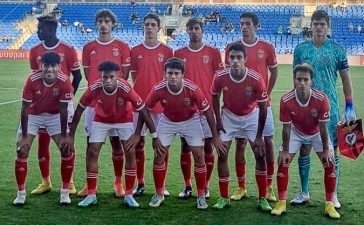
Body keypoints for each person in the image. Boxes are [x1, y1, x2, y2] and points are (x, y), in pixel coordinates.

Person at [67, 60, 156, 208]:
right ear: (101, 76)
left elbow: (142, 109)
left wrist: (141, 135)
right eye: (105, 77)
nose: (108, 80)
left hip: (123, 120)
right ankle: (91, 194)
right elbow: (79, 109)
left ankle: (128, 194)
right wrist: (71, 135)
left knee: (130, 151)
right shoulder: (95, 87)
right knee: (92, 151)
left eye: (111, 77)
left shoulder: (125, 87)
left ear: (118, 76)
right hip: (101, 119)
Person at [292, 10, 356, 209]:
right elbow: (296, 80)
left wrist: (350, 105)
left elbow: (346, 79)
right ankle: (304, 192)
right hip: (305, 108)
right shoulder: (300, 50)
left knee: (333, 150)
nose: (318, 27)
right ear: (310, 26)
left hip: (331, 109)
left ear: (328, 27)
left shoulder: (337, 50)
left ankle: (332, 195)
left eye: (322, 24)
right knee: (304, 147)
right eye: (315, 24)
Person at [143, 57, 225, 209]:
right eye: (169, 73)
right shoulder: (158, 89)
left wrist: (214, 136)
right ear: (165, 74)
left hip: (190, 120)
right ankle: (159, 193)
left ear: (182, 75)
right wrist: (153, 136)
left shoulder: (192, 88)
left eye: (176, 73)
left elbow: (207, 112)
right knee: (159, 154)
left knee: (199, 155)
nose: (173, 76)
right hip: (167, 120)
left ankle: (201, 195)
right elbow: (145, 110)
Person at [271, 63, 340, 219]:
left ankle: (329, 204)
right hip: (296, 131)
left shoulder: (321, 99)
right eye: (299, 79)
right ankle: (281, 203)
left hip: (316, 132)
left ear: (311, 81)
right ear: (294, 80)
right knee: (283, 161)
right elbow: (286, 129)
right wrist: (286, 151)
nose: (302, 83)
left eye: (305, 80)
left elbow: (323, 128)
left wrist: (327, 149)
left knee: (329, 162)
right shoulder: (286, 99)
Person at [224, 12, 278, 202]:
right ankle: (241, 187)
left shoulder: (267, 47)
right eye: (241, 24)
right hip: (240, 107)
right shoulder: (232, 48)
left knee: (267, 143)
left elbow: (274, 71)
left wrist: (267, 94)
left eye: (248, 23)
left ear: (256, 26)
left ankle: (269, 186)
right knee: (240, 143)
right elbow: (228, 75)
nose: (244, 27)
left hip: (262, 105)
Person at [77, 9, 131, 198]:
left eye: (107, 21)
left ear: (113, 24)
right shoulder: (88, 47)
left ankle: (118, 183)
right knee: (91, 145)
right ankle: (89, 185)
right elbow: (88, 75)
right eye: (100, 21)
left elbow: (124, 75)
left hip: (116, 104)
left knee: (117, 144)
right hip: (93, 104)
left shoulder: (122, 47)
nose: (103, 24)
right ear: (96, 24)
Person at [211, 43, 270, 211]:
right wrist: (218, 120)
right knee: (222, 155)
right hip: (229, 116)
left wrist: (259, 136)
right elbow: (214, 97)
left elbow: (263, 108)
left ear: (245, 59)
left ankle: (262, 198)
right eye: (232, 58)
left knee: (260, 154)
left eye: (239, 58)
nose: (235, 61)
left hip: (251, 117)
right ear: (227, 59)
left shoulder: (256, 78)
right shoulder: (220, 76)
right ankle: (223, 198)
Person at [28, 14, 81, 195]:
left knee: (66, 143)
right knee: (42, 142)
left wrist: (66, 96)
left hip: (63, 106)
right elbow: (35, 79)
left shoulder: (68, 49)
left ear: (50, 30)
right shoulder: (34, 51)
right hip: (41, 106)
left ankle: (70, 181)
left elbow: (78, 76)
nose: (37, 31)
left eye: (40, 29)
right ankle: (46, 182)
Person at [13, 51, 74, 205]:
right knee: (22, 149)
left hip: (54, 115)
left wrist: (66, 135)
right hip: (33, 114)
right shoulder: (32, 80)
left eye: (53, 66)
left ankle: (65, 192)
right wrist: (25, 135)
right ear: (41, 66)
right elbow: (25, 108)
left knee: (67, 148)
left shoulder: (65, 81)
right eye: (46, 66)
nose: (50, 69)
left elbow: (63, 110)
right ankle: (21, 193)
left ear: (59, 66)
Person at [174, 18, 223, 199]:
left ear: (202, 31)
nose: (194, 32)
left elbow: (219, 82)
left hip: (207, 108)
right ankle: (188, 186)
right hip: (186, 110)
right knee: (186, 147)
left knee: (208, 148)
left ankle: (206, 185)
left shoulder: (213, 52)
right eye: (191, 29)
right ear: (186, 31)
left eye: (197, 28)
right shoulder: (178, 53)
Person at [129, 13, 173, 197]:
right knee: (138, 143)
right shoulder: (135, 51)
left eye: (153, 25)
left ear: (158, 28)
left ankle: (160, 184)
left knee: (162, 146)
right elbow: (133, 77)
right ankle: (140, 182)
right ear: (143, 27)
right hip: (139, 105)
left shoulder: (167, 52)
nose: (149, 27)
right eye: (146, 24)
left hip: (160, 106)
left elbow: (169, 78)